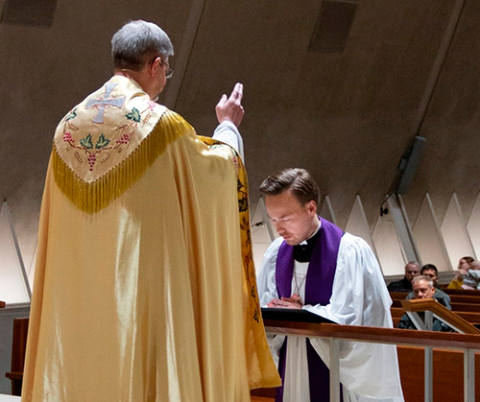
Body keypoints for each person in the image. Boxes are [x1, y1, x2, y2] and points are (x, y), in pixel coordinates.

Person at [22, 20, 279, 401]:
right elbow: (216, 176)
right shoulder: (161, 125)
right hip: (140, 294)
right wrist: (227, 128)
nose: (164, 80)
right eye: (167, 71)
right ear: (156, 64)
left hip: (78, 299)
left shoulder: (68, 128)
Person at [257, 168, 404, 402]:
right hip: (292, 358)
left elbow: (360, 318)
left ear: (311, 207)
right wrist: (276, 309)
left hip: (333, 366)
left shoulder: (350, 252)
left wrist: (303, 313)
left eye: (285, 218)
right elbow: (264, 305)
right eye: (273, 219)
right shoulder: (276, 253)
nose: (279, 228)